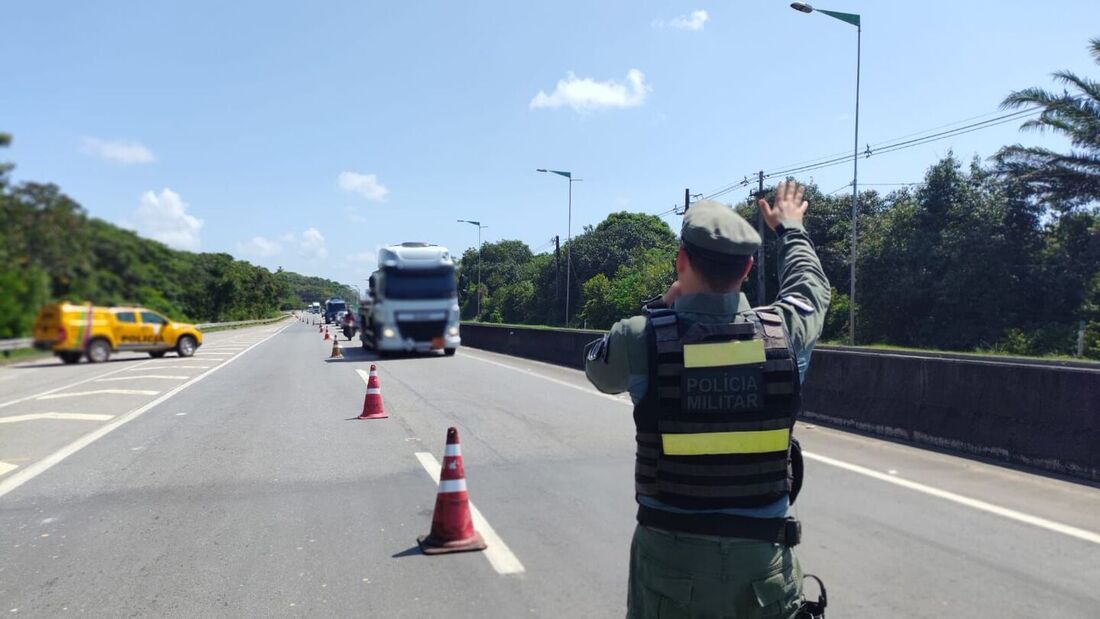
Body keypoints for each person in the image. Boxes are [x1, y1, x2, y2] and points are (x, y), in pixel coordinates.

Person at [585, 181, 830, 618]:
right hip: (764, 567)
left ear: (681, 261)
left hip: (668, 568)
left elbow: (598, 370)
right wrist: (791, 229)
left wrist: (658, 305)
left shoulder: (641, 338)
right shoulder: (784, 332)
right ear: (749, 268)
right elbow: (812, 287)